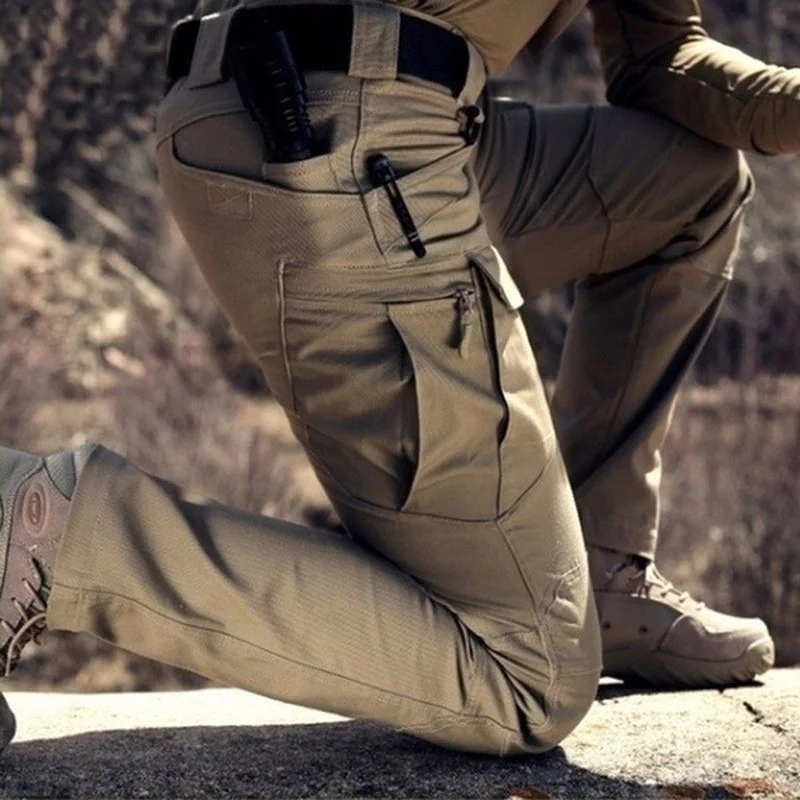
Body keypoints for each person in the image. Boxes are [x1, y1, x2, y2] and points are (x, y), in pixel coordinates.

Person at [0, 0, 794, 759]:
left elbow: (662, 59)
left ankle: (601, 570)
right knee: (531, 680)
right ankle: (49, 530)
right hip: (342, 134)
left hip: (396, 118)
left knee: (692, 184)